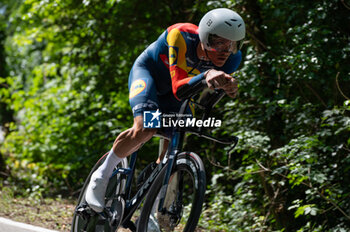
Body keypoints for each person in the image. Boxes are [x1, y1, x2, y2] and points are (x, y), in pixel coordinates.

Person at [85, 8, 246, 213]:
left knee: (174, 145)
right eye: (219, 42)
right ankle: (101, 175)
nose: (226, 50)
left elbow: (204, 96)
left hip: (178, 95)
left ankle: (150, 211)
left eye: (233, 44)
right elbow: (179, 87)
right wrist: (209, 74)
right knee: (146, 127)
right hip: (150, 76)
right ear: (205, 37)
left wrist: (226, 88)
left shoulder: (233, 59)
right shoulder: (181, 35)